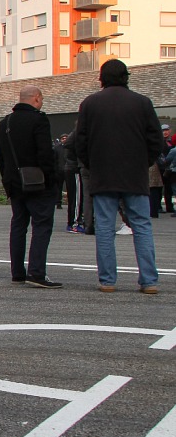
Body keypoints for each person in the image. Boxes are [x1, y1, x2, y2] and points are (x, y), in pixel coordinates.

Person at [74, 59, 163, 294]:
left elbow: (80, 141)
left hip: (103, 174)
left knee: (104, 227)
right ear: (126, 76)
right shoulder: (142, 103)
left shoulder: (90, 104)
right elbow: (156, 140)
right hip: (135, 175)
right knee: (141, 226)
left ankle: (108, 280)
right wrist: (144, 162)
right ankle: (149, 280)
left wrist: (92, 164)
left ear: (101, 78)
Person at [0, 86, 60, 287]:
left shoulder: (5, 122)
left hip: (14, 183)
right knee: (41, 225)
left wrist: (8, 177)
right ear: (37, 99)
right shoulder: (39, 120)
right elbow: (45, 154)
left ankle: (18, 272)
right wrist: (51, 179)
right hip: (37, 183)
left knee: (18, 225)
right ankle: (37, 273)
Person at [61, 130, 83, 233]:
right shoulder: (77, 133)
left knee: (75, 197)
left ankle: (75, 221)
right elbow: (68, 144)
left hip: (71, 167)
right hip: (74, 168)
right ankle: (74, 223)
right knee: (76, 197)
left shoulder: (74, 134)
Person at [161, 124, 175, 215]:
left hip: (170, 170)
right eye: (163, 130)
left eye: (166, 130)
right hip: (162, 168)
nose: (165, 132)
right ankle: (158, 206)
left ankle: (169, 206)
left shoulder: (172, 142)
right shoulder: (160, 142)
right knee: (159, 189)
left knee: (169, 188)